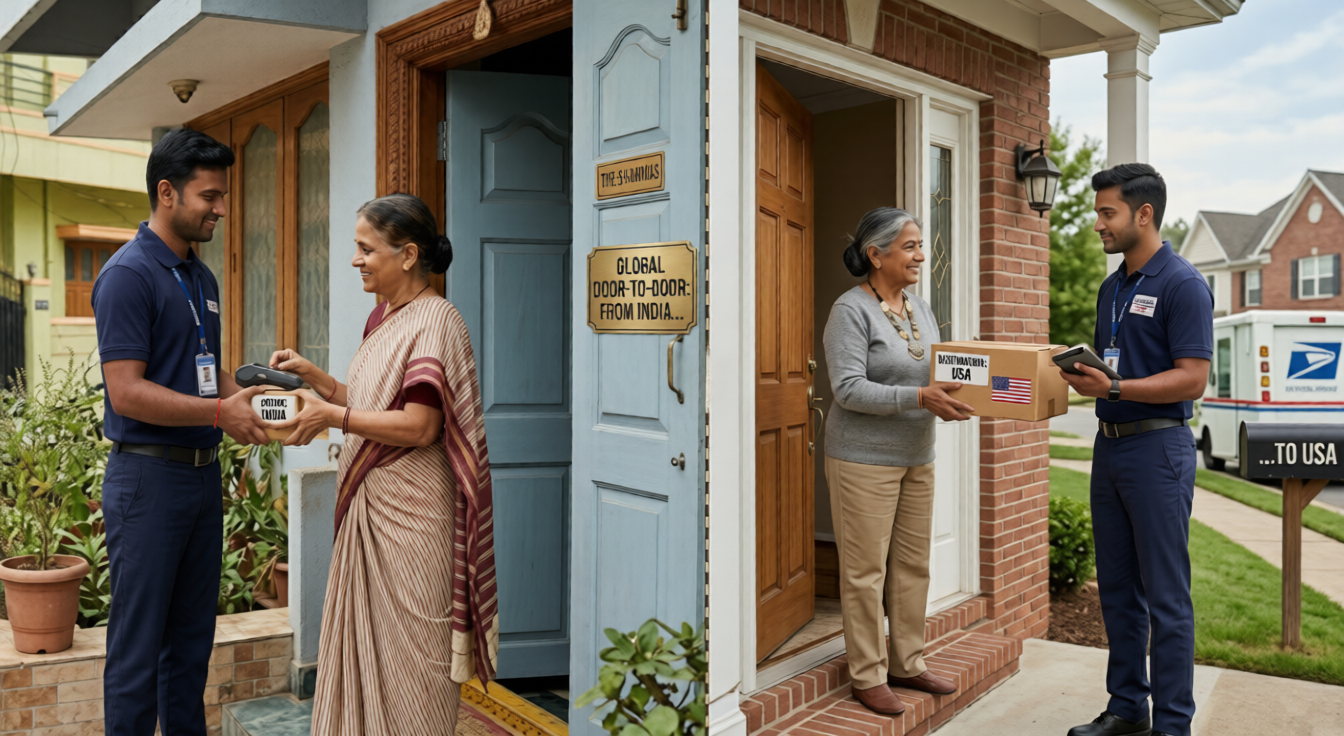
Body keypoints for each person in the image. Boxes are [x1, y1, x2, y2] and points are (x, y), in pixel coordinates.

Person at [267, 193, 498, 735]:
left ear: (409, 254)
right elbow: (373, 406)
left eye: (366, 249)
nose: (356, 260)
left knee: (417, 674)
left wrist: (332, 416)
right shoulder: (383, 319)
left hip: (414, 524)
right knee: (367, 665)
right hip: (373, 511)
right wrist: (317, 380)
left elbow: (421, 426)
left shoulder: (437, 322)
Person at [93, 129, 273, 736]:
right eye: (210, 195)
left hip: (199, 480)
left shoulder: (200, 278)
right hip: (146, 479)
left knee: (191, 648)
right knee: (139, 651)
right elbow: (127, 390)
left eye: (222, 195)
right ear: (166, 193)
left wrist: (250, 403)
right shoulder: (128, 275)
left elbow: (200, 371)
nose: (220, 208)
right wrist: (223, 415)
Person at [1060, 164, 1211, 736]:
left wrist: (1116, 386)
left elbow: (1192, 378)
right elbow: (1115, 361)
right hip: (1110, 449)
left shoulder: (1183, 284)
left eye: (1107, 213)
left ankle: (1173, 725)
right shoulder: (1112, 286)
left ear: (1143, 214)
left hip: (1159, 452)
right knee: (1118, 591)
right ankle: (1128, 708)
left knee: (1167, 600)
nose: (1098, 223)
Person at [821, 207, 976, 716]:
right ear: (876, 254)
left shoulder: (918, 308)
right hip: (863, 460)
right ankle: (867, 673)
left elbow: (933, 369)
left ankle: (907, 661)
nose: (920, 255)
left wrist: (969, 385)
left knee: (912, 565)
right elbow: (846, 389)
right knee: (865, 571)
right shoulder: (851, 310)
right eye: (910, 246)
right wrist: (919, 399)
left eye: (919, 245)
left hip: (917, 454)